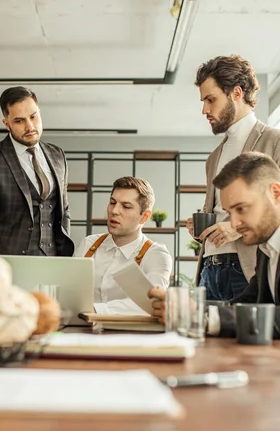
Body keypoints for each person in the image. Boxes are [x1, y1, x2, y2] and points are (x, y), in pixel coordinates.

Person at [150, 152, 280, 337]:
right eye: (229, 212)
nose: (234, 223)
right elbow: (250, 301)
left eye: (241, 209)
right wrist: (194, 312)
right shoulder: (266, 249)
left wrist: (202, 317)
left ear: (275, 193)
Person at [187, 55, 280, 302]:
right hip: (209, 268)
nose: (205, 110)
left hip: (247, 268)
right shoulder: (214, 157)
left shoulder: (275, 141)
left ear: (236, 93)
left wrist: (234, 228)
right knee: (207, 334)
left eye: (211, 99)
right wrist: (202, 227)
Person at [0, 86, 74, 257]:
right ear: (6, 124)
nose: (29, 126)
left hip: (52, 260)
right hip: (6, 261)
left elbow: (63, 211)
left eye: (33, 117)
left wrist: (64, 258)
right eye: (19, 121)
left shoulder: (57, 155)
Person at [74, 176, 172, 314]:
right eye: (112, 203)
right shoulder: (88, 244)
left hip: (131, 335)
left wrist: (95, 310)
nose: (114, 211)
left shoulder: (156, 255)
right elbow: (70, 292)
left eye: (126, 206)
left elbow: (152, 304)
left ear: (144, 216)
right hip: (81, 332)